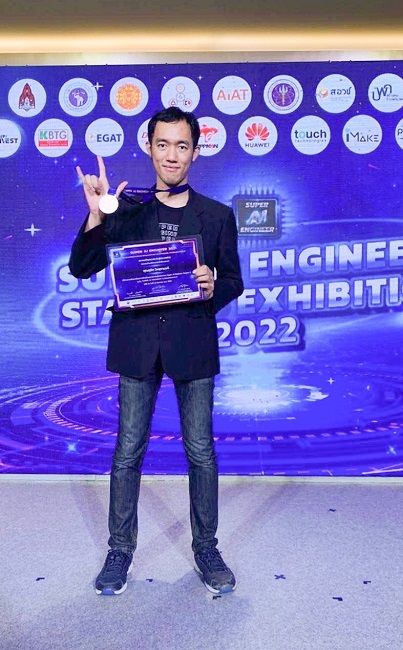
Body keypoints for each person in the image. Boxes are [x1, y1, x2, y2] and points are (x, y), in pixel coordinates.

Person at [69, 107, 244, 596]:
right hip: (137, 345)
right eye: (162, 144)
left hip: (192, 345)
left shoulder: (217, 215)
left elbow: (234, 280)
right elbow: (81, 267)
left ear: (196, 152)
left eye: (181, 146)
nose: (172, 155)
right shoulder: (125, 209)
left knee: (201, 452)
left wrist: (213, 286)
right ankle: (119, 551)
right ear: (149, 147)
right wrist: (95, 213)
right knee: (128, 451)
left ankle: (206, 548)